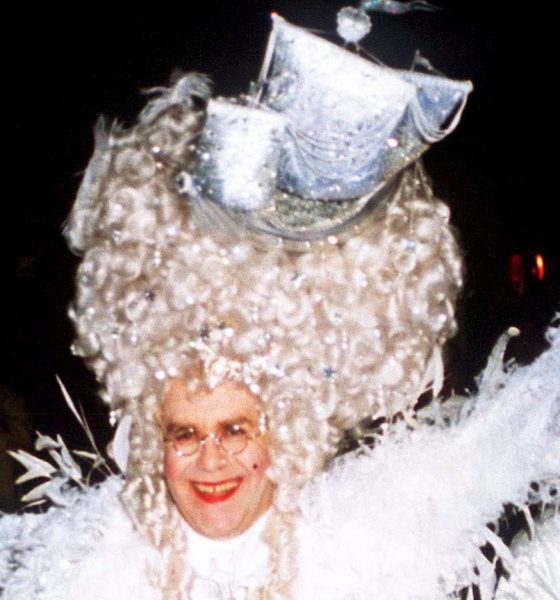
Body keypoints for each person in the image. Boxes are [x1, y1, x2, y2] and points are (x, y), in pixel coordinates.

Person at [1, 6, 559, 600]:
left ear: (285, 435)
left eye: (236, 429)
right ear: (148, 442)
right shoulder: (75, 574)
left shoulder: (389, 558)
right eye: (184, 434)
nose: (211, 460)